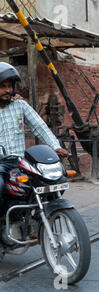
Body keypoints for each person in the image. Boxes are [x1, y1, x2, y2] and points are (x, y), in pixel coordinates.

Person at [0, 62, 69, 207]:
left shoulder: (20, 106)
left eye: (9, 86)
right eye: (2, 87)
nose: (7, 90)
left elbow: (40, 126)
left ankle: (37, 216)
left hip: (19, 162)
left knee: (56, 180)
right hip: (1, 165)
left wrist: (55, 146)